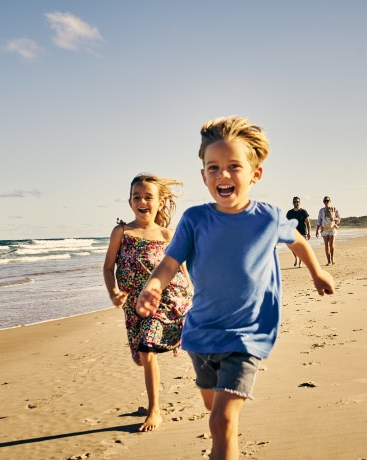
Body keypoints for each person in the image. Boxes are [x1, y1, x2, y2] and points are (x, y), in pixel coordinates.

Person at [136, 116, 335, 460]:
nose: (222, 175)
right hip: (200, 335)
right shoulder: (195, 219)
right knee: (215, 415)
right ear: (203, 175)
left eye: (233, 167)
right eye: (213, 168)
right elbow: (170, 262)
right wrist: (153, 285)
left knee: (222, 420)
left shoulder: (268, 217)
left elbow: (298, 240)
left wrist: (317, 273)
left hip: (247, 335)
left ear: (255, 174)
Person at [102, 173, 193, 432]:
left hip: (168, 300)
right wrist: (113, 292)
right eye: (137, 197)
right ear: (130, 202)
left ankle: (155, 411)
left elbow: (182, 270)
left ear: (160, 203)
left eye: (148, 197)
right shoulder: (122, 232)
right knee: (142, 356)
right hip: (135, 306)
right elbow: (108, 268)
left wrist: (193, 294)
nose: (142, 201)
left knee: (147, 348)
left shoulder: (167, 234)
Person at [286, 196, 311, 267]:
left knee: (302, 248)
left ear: (299, 203)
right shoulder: (290, 212)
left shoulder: (303, 212)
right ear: (292, 203)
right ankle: (296, 257)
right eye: (295, 202)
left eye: (297, 202)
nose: (296, 203)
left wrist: (309, 233)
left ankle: (300, 261)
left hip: (303, 233)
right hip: (293, 233)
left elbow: (308, 222)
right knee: (293, 248)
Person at [316, 196, 341, 266]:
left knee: (331, 244)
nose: (326, 202)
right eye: (325, 201)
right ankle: (329, 261)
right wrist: (317, 230)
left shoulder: (334, 209)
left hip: (332, 228)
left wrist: (334, 218)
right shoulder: (321, 210)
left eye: (327, 201)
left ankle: (332, 259)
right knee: (326, 245)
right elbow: (319, 220)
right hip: (324, 229)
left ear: (330, 201)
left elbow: (339, 219)